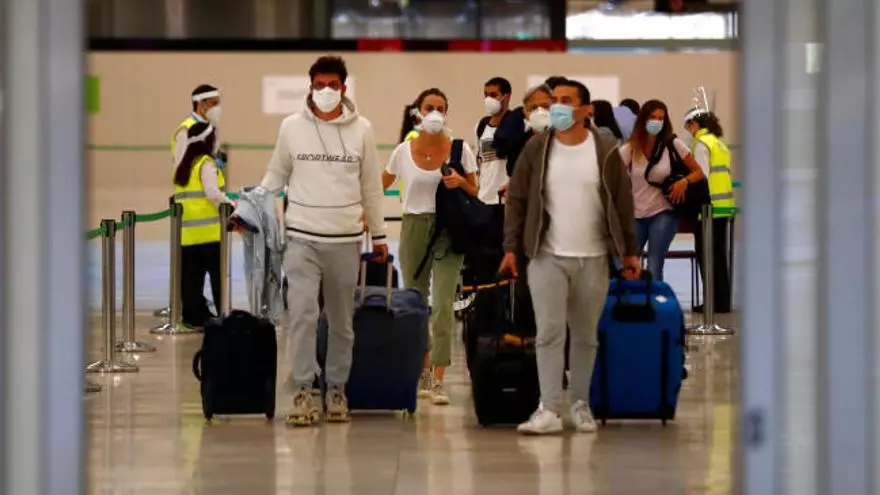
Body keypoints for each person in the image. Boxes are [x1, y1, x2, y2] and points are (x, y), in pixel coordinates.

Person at [499, 78, 640, 435]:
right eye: (553, 100)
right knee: (548, 334)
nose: (555, 107)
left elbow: (623, 204)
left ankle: (580, 404)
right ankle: (548, 408)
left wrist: (630, 252)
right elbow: (517, 200)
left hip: (593, 257)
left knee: (585, 335)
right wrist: (511, 248)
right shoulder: (537, 148)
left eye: (564, 100)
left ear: (586, 109)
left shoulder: (607, 149)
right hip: (546, 254)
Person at [259, 55, 388, 427]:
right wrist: (250, 210)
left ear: (344, 88)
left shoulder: (362, 129)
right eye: (320, 85)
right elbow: (276, 174)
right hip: (301, 237)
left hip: (346, 239)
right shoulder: (291, 127)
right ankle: (303, 390)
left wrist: (378, 234)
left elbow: (371, 187)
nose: (327, 91)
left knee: (341, 322)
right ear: (310, 87)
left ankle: (336, 389)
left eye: (333, 85)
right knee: (301, 315)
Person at [382, 88, 479, 406]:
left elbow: (475, 190)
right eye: (430, 107)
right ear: (418, 112)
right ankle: (421, 372)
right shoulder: (402, 150)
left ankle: (438, 378)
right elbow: (379, 184)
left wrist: (461, 183)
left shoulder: (460, 150)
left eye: (441, 107)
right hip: (414, 226)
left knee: (442, 304)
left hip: (449, 229)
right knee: (414, 301)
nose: (435, 112)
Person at [619, 99, 705, 281]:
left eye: (661, 118)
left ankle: (655, 304)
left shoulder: (673, 144)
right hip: (636, 213)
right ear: (643, 119)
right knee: (628, 263)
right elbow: (612, 176)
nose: (656, 122)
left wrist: (684, 182)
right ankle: (631, 303)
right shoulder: (630, 149)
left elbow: (698, 172)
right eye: (652, 117)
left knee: (654, 264)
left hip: (663, 211)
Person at [172, 122, 234, 330]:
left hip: (188, 234)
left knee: (191, 280)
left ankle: (193, 318)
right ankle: (223, 318)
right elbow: (212, 193)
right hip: (209, 234)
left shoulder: (183, 166)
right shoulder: (206, 163)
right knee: (218, 279)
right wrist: (232, 206)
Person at [684, 109, 735, 313]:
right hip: (723, 207)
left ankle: (711, 304)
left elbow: (701, 176)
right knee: (719, 257)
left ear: (694, 124)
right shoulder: (718, 143)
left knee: (707, 256)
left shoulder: (701, 144)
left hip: (707, 208)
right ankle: (721, 302)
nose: (687, 131)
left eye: (688, 127)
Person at [475, 77, 525, 205]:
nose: (488, 99)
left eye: (493, 95)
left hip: (506, 198)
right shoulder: (481, 126)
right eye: (486, 95)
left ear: (506, 97)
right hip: (484, 198)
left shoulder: (518, 125)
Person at [172, 84, 223, 168]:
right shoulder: (185, 129)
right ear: (200, 104)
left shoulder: (211, 128)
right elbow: (180, 167)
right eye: (213, 103)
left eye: (218, 104)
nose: (217, 108)